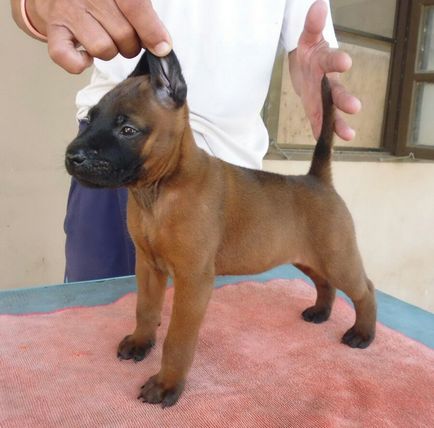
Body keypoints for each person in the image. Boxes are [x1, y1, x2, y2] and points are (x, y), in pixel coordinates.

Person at [11, 0, 361, 282]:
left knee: (214, 350)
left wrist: (309, 67)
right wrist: (44, 6)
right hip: (119, 160)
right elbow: (26, 6)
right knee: (92, 333)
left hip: (233, 184)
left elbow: (305, 42)